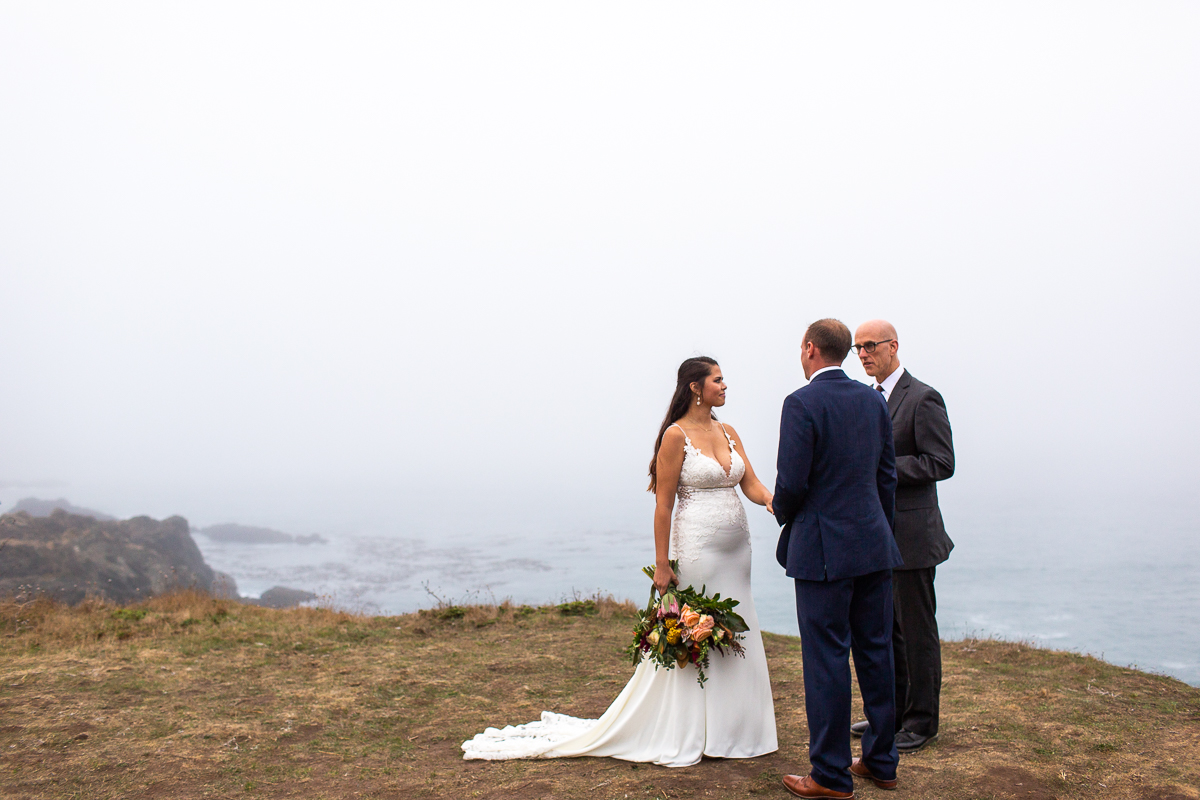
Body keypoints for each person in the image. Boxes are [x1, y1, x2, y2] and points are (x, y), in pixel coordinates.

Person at [461, 356, 778, 767]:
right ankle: (693, 729)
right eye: (718, 380)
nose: (725, 386)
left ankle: (738, 729)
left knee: (739, 626)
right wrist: (662, 564)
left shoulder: (729, 431)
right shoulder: (675, 436)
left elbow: (750, 483)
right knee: (698, 630)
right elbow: (663, 506)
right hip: (697, 548)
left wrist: (773, 501)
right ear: (696, 387)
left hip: (738, 551)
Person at [774, 319, 902, 799]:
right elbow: (885, 477)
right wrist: (879, 532)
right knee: (876, 652)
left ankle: (829, 774)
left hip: (824, 552)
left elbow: (793, 483)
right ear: (847, 353)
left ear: (810, 349)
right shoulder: (873, 400)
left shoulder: (801, 402)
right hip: (873, 546)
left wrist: (782, 512)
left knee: (826, 658)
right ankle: (881, 761)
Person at [850, 320, 954, 754]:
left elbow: (941, 462)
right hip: (879, 535)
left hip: (913, 535)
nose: (863, 354)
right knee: (886, 631)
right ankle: (890, 715)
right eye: (857, 348)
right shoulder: (868, 399)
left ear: (894, 346)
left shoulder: (923, 397)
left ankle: (922, 722)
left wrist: (884, 469)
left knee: (917, 632)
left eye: (870, 346)